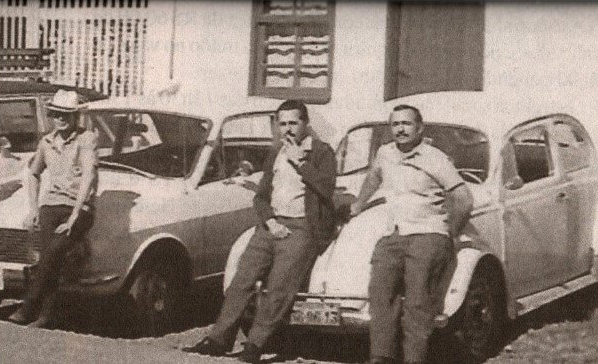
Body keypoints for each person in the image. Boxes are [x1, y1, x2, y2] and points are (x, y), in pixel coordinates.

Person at [183, 100, 338, 363]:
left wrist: (300, 163)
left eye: (294, 123)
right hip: (271, 225)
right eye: (283, 123)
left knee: (279, 289)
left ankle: (255, 345)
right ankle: (219, 339)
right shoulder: (276, 150)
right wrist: (270, 220)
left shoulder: (321, 152)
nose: (287, 129)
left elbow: (326, 189)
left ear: (305, 124)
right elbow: (261, 196)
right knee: (240, 281)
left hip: (301, 228)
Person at [353, 105, 472, 364]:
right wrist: (358, 205)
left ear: (420, 128)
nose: (401, 129)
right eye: (395, 124)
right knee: (380, 295)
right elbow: (374, 177)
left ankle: (414, 360)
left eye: (407, 124)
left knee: (418, 303)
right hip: (393, 235)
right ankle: (381, 357)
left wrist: (450, 235)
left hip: (427, 234)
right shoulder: (385, 153)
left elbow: (463, 198)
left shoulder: (435, 158)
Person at [7, 90, 97, 328]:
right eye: (56, 113)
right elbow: (33, 173)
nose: (60, 118)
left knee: (54, 252)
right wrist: (34, 208)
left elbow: (88, 175)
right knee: (50, 258)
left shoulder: (86, 139)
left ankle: (28, 307)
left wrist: (76, 215)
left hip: (78, 208)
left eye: (66, 114)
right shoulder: (46, 142)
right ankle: (47, 316)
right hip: (51, 205)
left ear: (76, 116)